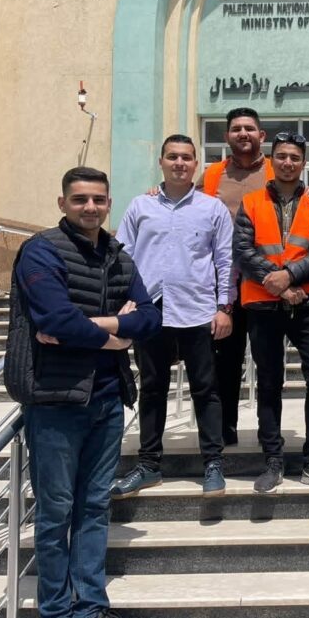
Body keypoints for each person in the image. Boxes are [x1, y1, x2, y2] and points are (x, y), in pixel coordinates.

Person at [4, 167, 161, 618]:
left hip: (107, 399)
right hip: (54, 400)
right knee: (56, 512)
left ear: (109, 203)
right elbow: (53, 317)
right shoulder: (41, 251)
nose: (90, 207)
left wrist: (98, 325)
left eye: (98, 199)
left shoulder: (118, 255)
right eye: (79, 199)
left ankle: (89, 612)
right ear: (62, 202)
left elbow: (150, 318)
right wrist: (117, 335)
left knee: (93, 508)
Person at [112, 135, 233, 500]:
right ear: (161, 162)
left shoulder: (212, 208)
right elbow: (123, 257)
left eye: (186, 157)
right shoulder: (141, 205)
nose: (179, 163)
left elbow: (225, 260)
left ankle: (213, 463)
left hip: (198, 310)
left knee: (206, 390)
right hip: (151, 310)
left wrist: (224, 307)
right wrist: (125, 302)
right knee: (152, 389)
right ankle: (149, 464)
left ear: (196, 164)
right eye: (172, 157)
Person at [233, 132, 309, 491]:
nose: (287, 163)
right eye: (281, 156)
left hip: (306, 303)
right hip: (263, 304)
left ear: (303, 163)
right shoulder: (251, 201)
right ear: (271, 160)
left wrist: (290, 276)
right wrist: (277, 283)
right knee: (269, 383)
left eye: (294, 157)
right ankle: (273, 461)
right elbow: (243, 252)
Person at [197, 107, 274, 446]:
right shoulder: (213, 174)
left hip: (265, 280)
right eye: (236, 128)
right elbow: (188, 204)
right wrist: (157, 191)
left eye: (249, 128)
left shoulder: (276, 170)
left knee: (268, 362)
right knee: (224, 360)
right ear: (227, 136)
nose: (243, 133)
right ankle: (225, 428)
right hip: (222, 281)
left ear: (262, 136)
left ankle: (269, 433)